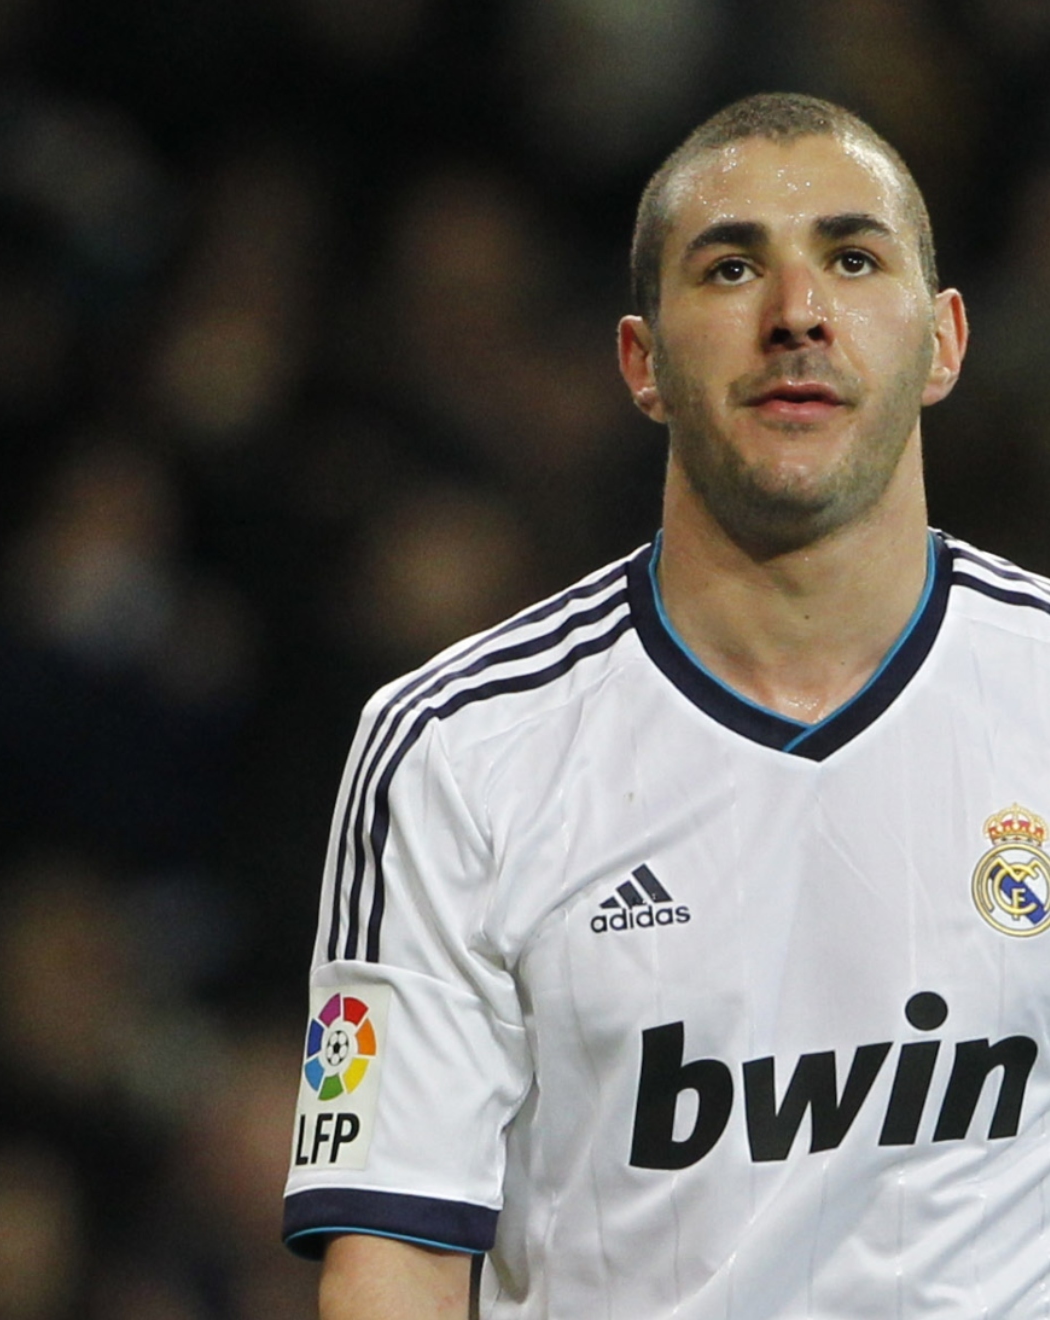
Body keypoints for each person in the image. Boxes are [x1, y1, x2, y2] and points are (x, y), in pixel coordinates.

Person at [278, 91, 1050, 1318]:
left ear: (945, 341)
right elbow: (397, 1261)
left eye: (852, 259)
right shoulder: (458, 752)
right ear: (642, 362)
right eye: (732, 267)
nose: (797, 314)